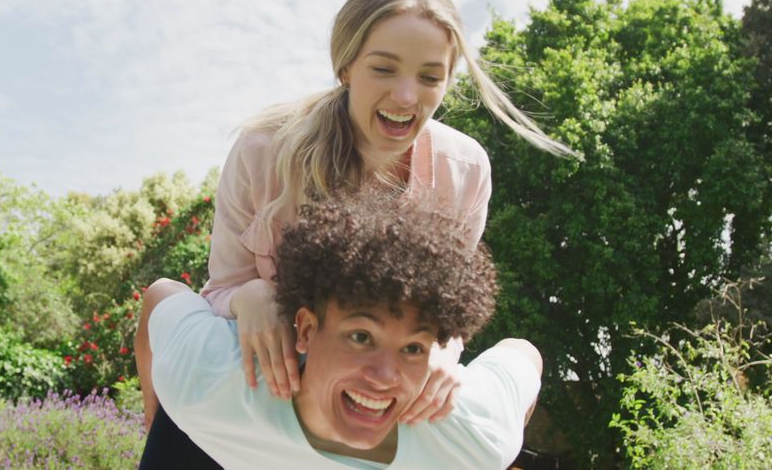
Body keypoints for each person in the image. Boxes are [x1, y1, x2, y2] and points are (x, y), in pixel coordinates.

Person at [134, 0, 571, 467]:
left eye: (430, 77)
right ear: (346, 66)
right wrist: (251, 296)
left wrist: (443, 357)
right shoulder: (263, 150)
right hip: (258, 391)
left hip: (369, 410)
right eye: (384, 69)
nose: (407, 96)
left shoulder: (464, 171)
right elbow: (213, 292)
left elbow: (445, 313)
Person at [145, 198, 542, 470]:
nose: (386, 375)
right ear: (306, 329)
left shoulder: (469, 437)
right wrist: (161, 417)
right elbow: (161, 294)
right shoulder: (208, 383)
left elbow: (524, 353)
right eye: (361, 337)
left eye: (412, 347)